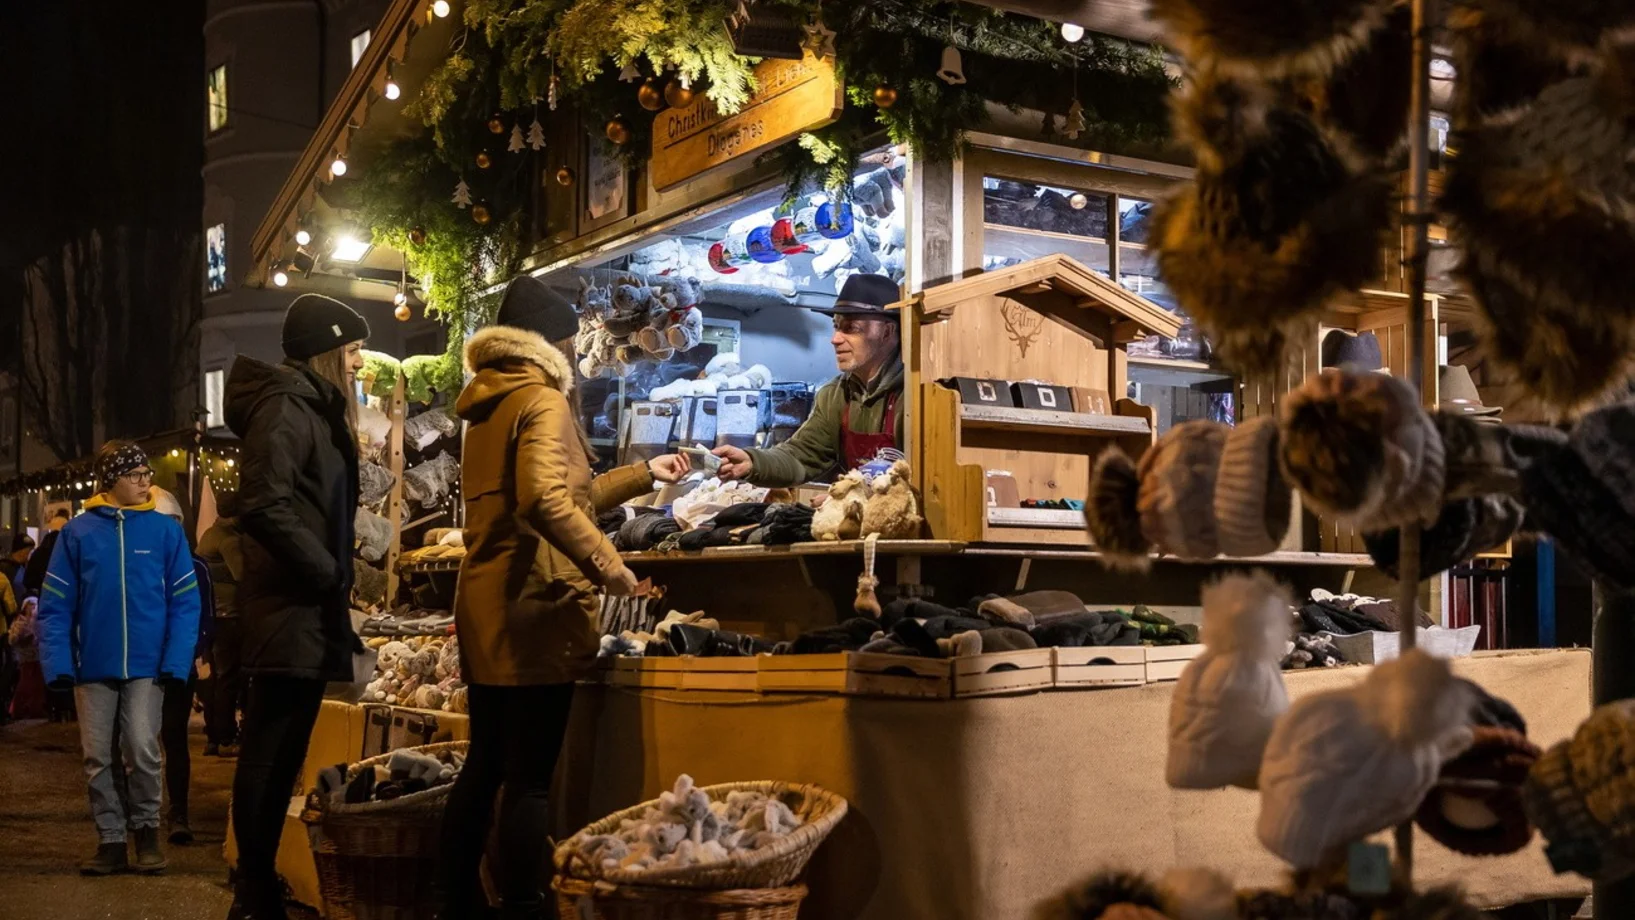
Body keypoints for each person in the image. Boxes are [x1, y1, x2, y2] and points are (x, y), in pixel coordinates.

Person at [435, 276, 687, 919]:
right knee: (528, 780)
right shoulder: (542, 400)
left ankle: (455, 901)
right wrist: (612, 569)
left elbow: (554, 496)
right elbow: (545, 500)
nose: (577, 353)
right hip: (537, 606)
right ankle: (523, 905)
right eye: (572, 341)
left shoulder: (490, 404)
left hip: (492, 601)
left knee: (487, 764)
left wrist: (637, 475)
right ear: (554, 343)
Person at [224, 293, 369, 920]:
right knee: (267, 752)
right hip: (290, 605)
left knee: (282, 756)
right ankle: (252, 895)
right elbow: (263, 502)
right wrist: (326, 569)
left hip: (307, 606)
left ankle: (257, 891)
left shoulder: (314, 407)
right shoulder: (287, 405)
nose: (361, 362)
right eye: (355, 350)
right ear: (329, 350)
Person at [36, 441, 201, 876]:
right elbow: (55, 605)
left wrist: (176, 661)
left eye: (147, 473)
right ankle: (111, 840)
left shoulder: (166, 532)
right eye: (135, 474)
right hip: (93, 665)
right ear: (111, 481)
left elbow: (186, 603)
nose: (145, 480)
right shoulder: (78, 533)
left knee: (144, 750)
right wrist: (57, 666)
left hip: (148, 666)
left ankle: (146, 831)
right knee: (97, 757)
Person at [713, 273, 904, 485]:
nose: (835, 339)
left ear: (887, 332)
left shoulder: (915, 396)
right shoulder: (835, 395)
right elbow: (802, 455)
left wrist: (857, 497)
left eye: (851, 328)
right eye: (837, 326)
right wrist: (752, 462)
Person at [196, 491, 245, 757]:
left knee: (216, 678)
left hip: (213, 615)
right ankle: (225, 735)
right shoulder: (229, 540)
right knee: (229, 678)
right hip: (230, 616)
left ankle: (213, 734)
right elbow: (244, 576)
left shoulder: (208, 535)